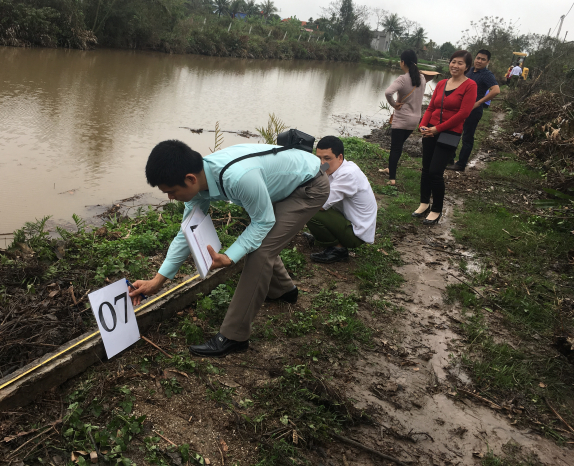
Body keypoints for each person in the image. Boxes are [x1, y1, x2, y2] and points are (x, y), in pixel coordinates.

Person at [128, 140, 329, 357]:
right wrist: (157, 281)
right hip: (284, 182)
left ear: (190, 179)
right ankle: (285, 291)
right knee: (258, 241)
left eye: (172, 191)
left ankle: (235, 336)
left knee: (260, 251)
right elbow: (186, 233)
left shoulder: (238, 178)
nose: (170, 197)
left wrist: (230, 257)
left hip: (308, 186)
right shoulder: (202, 177)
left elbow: (263, 222)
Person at [411, 50, 477, 225]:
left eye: (460, 63)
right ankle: (424, 203)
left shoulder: (470, 85)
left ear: (467, 67)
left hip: (450, 132)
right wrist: (423, 126)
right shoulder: (441, 84)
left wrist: (437, 129)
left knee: (435, 172)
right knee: (425, 170)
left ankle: (436, 209)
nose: (455, 65)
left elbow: (463, 113)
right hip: (430, 130)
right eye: (453, 61)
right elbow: (431, 107)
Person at [305, 136, 377, 263]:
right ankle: (323, 237)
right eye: (319, 158)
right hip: (348, 220)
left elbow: (320, 203)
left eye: (327, 158)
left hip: (355, 233)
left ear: (340, 157)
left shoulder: (348, 174)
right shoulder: (333, 169)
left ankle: (338, 250)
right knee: (310, 204)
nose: (322, 163)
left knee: (311, 210)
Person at [378, 49, 427, 186]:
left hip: (402, 118)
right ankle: (390, 168)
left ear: (403, 62)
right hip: (415, 119)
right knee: (398, 146)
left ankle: (392, 178)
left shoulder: (402, 79)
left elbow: (388, 92)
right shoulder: (422, 78)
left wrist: (394, 104)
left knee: (395, 148)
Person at [448, 49, 500, 172]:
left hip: (473, 111)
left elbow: (496, 90)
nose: (479, 61)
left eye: (483, 59)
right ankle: (449, 159)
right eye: (478, 58)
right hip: (459, 108)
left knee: (467, 137)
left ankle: (461, 164)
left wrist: (479, 102)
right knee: (453, 132)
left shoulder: (487, 75)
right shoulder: (469, 70)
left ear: (488, 62)